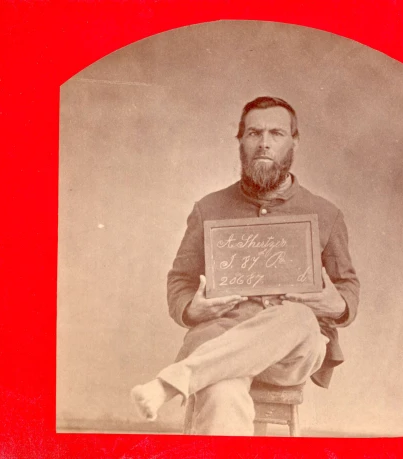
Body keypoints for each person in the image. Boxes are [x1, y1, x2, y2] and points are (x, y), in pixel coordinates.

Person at [131, 96, 360, 436]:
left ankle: (174, 381)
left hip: (289, 354)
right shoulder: (209, 208)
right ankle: (191, 380)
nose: (264, 143)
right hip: (220, 337)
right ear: (240, 140)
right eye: (254, 133)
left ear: (294, 141)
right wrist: (192, 309)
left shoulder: (325, 213)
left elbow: (347, 287)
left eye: (276, 133)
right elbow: (180, 281)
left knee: (296, 316)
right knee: (220, 391)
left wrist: (337, 305)